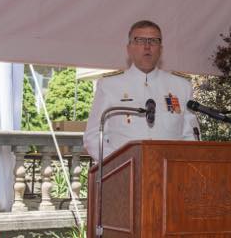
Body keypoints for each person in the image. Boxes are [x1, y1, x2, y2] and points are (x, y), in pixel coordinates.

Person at [83, 20, 200, 161]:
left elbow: (191, 135)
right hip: (125, 174)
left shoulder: (181, 86)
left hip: (171, 172)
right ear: (129, 48)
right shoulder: (109, 85)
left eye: (153, 41)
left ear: (161, 49)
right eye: (140, 40)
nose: (147, 46)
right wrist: (119, 164)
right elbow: (94, 137)